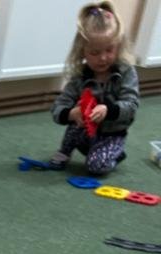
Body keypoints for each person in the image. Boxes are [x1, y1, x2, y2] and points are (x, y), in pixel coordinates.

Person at [49, 2, 138, 174]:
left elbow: (132, 105)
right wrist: (71, 113)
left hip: (112, 135)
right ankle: (64, 152)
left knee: (96, 167)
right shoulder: (80, 76)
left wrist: (108, 110)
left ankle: (115, 154)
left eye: (109, 50)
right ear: (82, 51)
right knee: (75, 121)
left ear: (118, 46)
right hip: (85, 134)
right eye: (95, 53)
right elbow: (57, 108)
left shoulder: (126, 72)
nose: (103, 58)